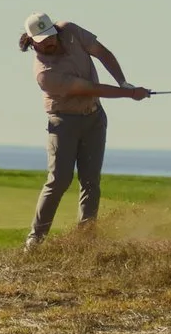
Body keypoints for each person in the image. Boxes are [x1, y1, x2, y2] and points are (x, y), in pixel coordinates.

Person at [18, 14, 146, 247]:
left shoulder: (70, 31)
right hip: (63, 122)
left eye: (51, 36)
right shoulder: (45, 73)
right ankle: (36, 239)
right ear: (31, 41)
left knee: (91, 181)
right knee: (59, 180)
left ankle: (85, 240)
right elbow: (89, 88)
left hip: (94, 117)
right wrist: (130, 94)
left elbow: (102, 52)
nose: (49, 42)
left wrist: (123, 82)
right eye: (42, 40)